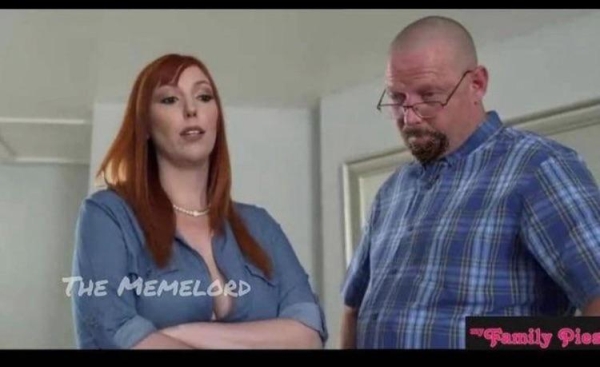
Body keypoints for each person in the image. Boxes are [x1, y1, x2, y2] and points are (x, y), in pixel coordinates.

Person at [341, 16, 600, 349]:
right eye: (398, 98)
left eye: (429, 95)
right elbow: (354, 308)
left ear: (477, 84)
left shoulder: (538, 167)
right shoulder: (392, 192)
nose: (410, 117)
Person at [72, 54, 326, 349]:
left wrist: (179, 333)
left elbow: (308, 334)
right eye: (170, 100)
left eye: (204, 97)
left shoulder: (261, 225)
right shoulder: (107, 216)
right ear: (145, 125)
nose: (191, 110)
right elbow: (114, 332)